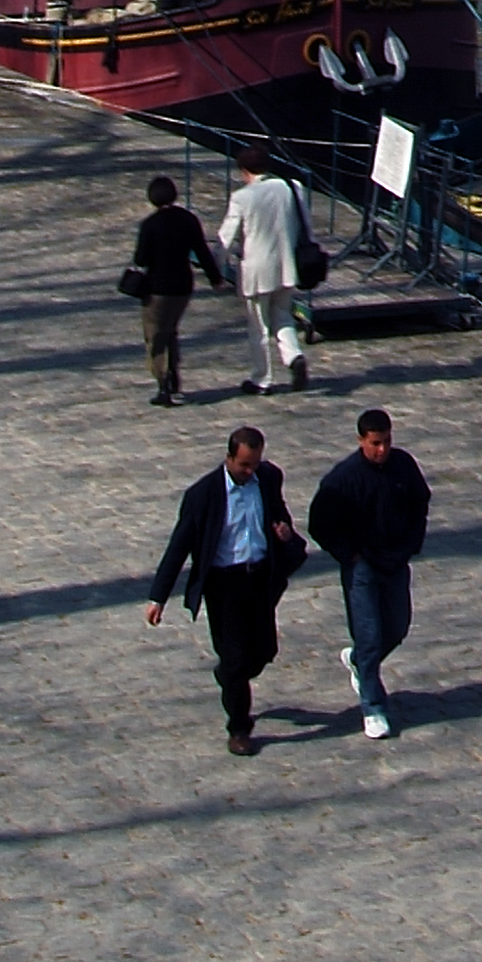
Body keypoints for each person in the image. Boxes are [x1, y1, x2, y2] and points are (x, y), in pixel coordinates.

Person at [146, 422, 308, 755]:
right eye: (244, 464)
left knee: (263, 651)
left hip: (260, 578)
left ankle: (229, 675)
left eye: (255, 464)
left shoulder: (268, 479)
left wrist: (284, 532)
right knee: (235, 658)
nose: (250, 471)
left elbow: (279, 514)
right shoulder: (203, 495)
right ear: (229, 458)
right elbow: (179, 546)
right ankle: (239, 728)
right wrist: (158, 597)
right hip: (224, 584)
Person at [309, 405, 433, 741]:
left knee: (397, 626)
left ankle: (360, 661)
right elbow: (320, 523)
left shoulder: (403, 465)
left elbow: (420, 502)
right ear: (361, 440)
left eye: (387, 442)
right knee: (368, 633)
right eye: (375, 443)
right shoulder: (344, 479)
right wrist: (350, 555)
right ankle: (373, 706)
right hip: (362, 567)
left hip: (395, 561)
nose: (382, 450)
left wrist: (411, 543)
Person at [125, 172, 225, 408]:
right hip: (182, 286)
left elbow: (141, 258)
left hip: (158, 288)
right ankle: (173, 372)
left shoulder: (150, 225)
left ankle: (164, 381)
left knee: (156, 334)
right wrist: (214, 277)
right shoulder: (188, 219)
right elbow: (202, 251)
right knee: (170, 329)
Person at [216, 153, 314, 390]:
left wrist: (216, 267)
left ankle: (262, 379)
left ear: (244, 171)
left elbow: (225, 238)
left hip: (257, 271)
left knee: (258, 326)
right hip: (286, 266)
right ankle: (294, 357)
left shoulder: (242, 197)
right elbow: (306, 225)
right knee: (283, 315)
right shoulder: (292, 187)